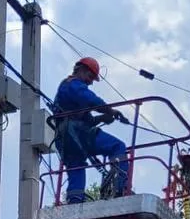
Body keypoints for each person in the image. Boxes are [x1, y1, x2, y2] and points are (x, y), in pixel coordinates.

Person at [52, 56, 131, 203]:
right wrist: (110, 111)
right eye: (90, 77)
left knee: (76, 166)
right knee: (117, 146)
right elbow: (92, 100)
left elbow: (88, 120)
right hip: (78, 134)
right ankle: (119, 188)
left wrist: (102, 119)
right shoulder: (73, 85)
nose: (90, 82)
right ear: (80, 70)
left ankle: (74, 201)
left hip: (66, 138)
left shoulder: (69, 91)